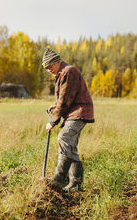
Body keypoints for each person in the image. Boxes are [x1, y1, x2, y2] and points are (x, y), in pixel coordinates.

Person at [42, 48, 95, 191]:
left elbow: (65, 101)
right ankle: (75, 184)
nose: (48, 70)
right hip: (73, 112)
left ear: (56, 62)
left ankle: (58, 179)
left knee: (63, 138)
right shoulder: (61, 74)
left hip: (79, 112)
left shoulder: (68, 72)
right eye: (46, 68)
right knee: (69, 146)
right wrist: (55, 109)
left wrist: (52, 121)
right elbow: (63, 100)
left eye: (49, 66)